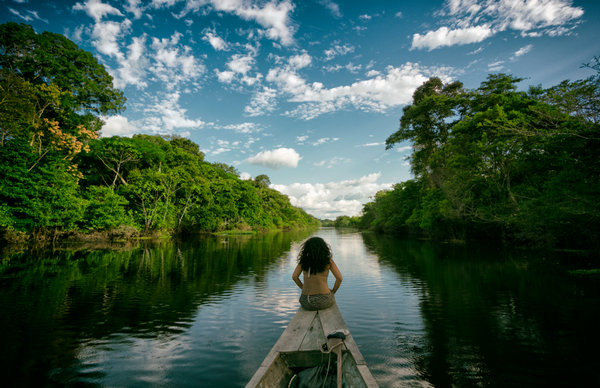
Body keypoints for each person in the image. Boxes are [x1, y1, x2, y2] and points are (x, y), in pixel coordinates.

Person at [292, 236, 342, 311]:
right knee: (331, 299)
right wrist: (333, 291)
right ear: (324, 248)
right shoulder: (328, 261)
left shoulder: (303, 262)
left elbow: (294, 277)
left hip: (306, 301)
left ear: (307, 249)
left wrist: (302, 287)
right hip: (324, 301)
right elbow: (339, 278)